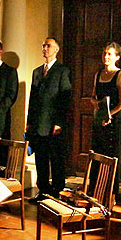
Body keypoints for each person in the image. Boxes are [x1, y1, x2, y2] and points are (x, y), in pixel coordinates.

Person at [26, 37, 72, 201]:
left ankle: (57, 191)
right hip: (38, 124)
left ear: (56, 49)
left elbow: (65, 98)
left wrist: (59, 122)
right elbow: (33, 98)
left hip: (53, 124)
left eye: (48, 46)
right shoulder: (37, 71)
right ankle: (43, 190)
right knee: (41, 159)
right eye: (43, 45)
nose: (45, 48)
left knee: (56, 159)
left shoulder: (62, 71)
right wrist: (29, 122)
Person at [90, 42, 121, 198]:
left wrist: (109, 115)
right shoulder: (98, 74)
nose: (106, 56)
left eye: (110, 54)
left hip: (113, 121)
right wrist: (94, 102)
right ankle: (94, 192)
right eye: (105, 53)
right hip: (99, 119)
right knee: (97, 154)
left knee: (111, 156)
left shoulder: (120, 75)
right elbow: (93, 95)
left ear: (117, 57)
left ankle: (110, 194)